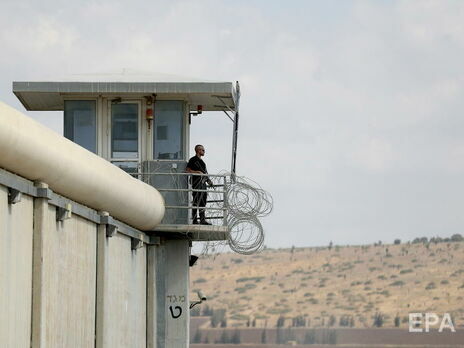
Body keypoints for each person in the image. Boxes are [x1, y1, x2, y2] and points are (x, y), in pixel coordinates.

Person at [186, 144, 213, 225]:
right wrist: (197, 172)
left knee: (203, 201)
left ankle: (202, 220)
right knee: (196, 201)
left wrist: (209, 181)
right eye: (203, 150)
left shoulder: (202, 162)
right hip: (196, 183)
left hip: (203, 184)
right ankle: (194, 220)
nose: (204, 151)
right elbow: (187, 170)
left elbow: (205, 173)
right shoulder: (193, 160)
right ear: (198, 150)